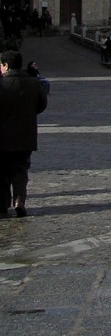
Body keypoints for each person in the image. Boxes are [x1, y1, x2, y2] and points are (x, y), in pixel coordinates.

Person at [0, 50, 48, 217]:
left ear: (6, 65)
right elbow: (41, 105)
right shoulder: (34, 83)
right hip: (25, 136)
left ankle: (3, 203)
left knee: (3, 171)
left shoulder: (1, 83)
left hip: (3, 137)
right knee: (20, 170)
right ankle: (19, 201)